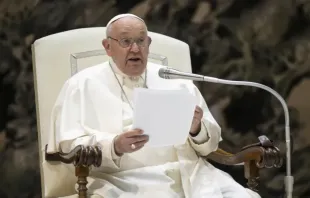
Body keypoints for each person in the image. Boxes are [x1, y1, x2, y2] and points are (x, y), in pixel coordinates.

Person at [48, 14, 261, 198]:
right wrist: (114, 145)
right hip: (124, 181)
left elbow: (210, 145)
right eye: (125, 41)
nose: (135, 49)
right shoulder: (81, 85)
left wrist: (196, 129)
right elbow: (68, 145)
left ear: (148, 43)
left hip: (193, 174)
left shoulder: (176, 80)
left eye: (141, 41)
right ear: (107, 47)